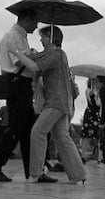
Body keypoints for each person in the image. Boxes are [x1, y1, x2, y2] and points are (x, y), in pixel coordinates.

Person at [12, 25, 87, 183]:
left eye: (43, 36)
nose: (40, 39)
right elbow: (34, 60)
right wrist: (26, 56)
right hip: (61, 102)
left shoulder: (56, 54)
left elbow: (34, 66)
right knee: (61, 137)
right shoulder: (54, 54)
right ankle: (78, 174)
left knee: (38, 132)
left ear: (52, 37)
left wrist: (17, 52)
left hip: (55, 102)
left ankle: (36, 173)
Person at [0, 9, 38, 182]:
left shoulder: (18, 36)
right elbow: (20, 62)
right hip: (18, 83)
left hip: (20, 84)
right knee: (17, 127)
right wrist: (36, 58)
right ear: (27, 19)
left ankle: (33, 171)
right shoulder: (14, 36)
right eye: (35, 22)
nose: (36, 26)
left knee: (28, 129)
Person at [80, 78, 101, 163]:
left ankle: (99, 156)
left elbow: (99, 104)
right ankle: (82, 155)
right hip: (91, 114)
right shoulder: (88, 91)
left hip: (97, 115)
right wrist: (94, 95)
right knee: (87, 136)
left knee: (98, 136)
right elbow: (94, 103)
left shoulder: (99, 92)